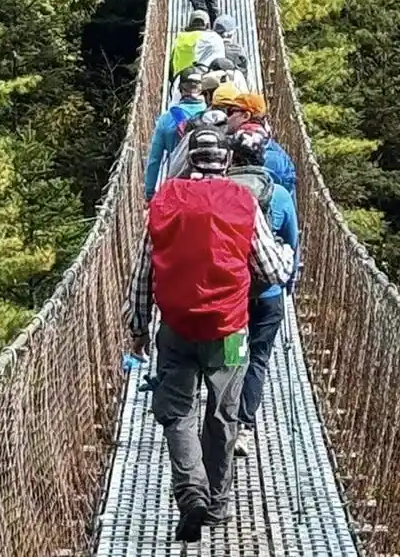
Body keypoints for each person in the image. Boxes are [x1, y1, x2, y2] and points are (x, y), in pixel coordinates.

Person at [127, 128, 294, 540]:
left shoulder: (165, 200)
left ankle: (191, 492)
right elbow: (273, 270)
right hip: (231, 330)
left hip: (176, 328)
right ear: (226, 162)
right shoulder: (243, 201)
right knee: (223, 414)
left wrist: (137, 326)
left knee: (176, 411)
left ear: (190, 160)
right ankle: (216, 505)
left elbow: (144, 269)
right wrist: (288, 255)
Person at [227, 127, 298, 456]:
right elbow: (293, 244)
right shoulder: (280, 195)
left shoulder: (220, 192)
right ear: (262, 157)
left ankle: (224, 419)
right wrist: (288, 286)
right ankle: (244, 426)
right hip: (268, 293)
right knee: (258, 359)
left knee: (232, 356)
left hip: (230, 292)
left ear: (233, 157)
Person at [145, 68, 210, 199]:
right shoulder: (210, 115)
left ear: (180, 90)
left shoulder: (166, 119)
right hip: (204, 186)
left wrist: (149, 193)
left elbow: (154, 160)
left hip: (176, 186)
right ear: (202, 90)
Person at [218, 90, 298, 196]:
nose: (227, 118)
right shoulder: (275, 150)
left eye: (230, 112)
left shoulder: (268, 158)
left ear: (246, 116)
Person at [169, 9, 225, 78]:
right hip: (207, 79)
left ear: (190, 23)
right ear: (207, 25)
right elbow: (221, 63)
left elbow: (171, 63)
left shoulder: (180, 37)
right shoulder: (215, 37)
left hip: (181, 79)